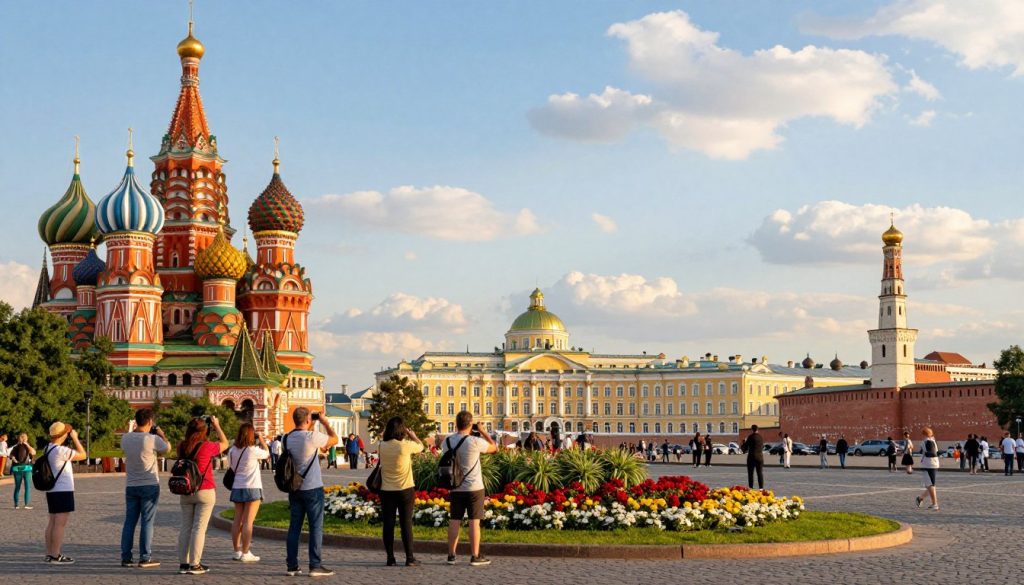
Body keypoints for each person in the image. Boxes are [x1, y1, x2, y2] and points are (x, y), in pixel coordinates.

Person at [284, 408, 339, 577]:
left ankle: (292, 566)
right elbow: (334, 439)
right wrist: (324, 422)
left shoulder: (287, 438)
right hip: (312, 487)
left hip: (295, 488)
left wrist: (312, 422)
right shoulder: (312, 437)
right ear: (308, 419)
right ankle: (315, 565)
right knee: (315, 527)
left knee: (294, 527)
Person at [176, 416, 228, 575]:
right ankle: (195, 564)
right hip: (205, 490)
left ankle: (183, 564)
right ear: (205, 431)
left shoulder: (182, 446)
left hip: (186, 490)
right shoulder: (207, 446)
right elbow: (225, 443)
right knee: (199, 529)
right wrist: (217, 425)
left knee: (185, 527)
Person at [445, 411, 498, 567]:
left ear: (456, 424)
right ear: (470, 424)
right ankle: (475, 556)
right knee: (474, 521)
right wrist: (482, 431)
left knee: (454, 520)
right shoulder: (475, 441)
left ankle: (451, 555)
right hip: (474, 487)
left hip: (455, 486)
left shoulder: (447, 441)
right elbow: (494, 448)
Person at [120, 408, 169, 568]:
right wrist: (161, 433)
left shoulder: (125, 438)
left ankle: (126, 557)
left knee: (129, 521)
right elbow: (167, 448)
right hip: (149, 484)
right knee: (147, 522)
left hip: (131, 485)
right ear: (150, 422)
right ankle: (145, 557)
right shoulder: (152, 439)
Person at [378, 416, 424, 566]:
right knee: (406, 523)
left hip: (386, 490)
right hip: (405, 489)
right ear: (401, 431)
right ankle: (409, 558)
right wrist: (413, 435)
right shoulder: (405, 446)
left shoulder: (381, 446)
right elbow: (421, 446)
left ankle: (390, 558)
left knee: (388, 523)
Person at [43, 421, 86, 564]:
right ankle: (56, 555)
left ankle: (49, 553)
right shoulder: (61, 451)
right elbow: (83, 455)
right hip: (63, 489)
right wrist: (75, 438)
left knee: (52, 522)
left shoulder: (48, 448)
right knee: (60, 524)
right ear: (64, 434)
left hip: (52, 490)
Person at [228, 423, 270, 562]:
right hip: (252, 487)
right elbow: (267, 453)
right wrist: (262, 439)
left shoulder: (232, 450)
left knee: (237, 520)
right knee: (248, 522)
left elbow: (231, 467)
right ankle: (246, 552)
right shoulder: (253, 450)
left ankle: (236, 551)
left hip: (237, 487)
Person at [914, 427, 940, 511]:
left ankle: (934, 504)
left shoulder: (928, 441)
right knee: (931, 485)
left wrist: (925, 453)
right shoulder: (932, 441)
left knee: (930, 485)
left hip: (928, 465)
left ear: (924, 434)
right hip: (933, 464)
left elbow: (932, 453)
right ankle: (920, 498)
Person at [10, 433, 35, 509]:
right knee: (26, 487)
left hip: (18, 468)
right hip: (26, 468)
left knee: (18, 487)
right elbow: (33, 452)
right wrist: (26, 444)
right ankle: (25, 505)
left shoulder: (16, 447)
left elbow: (11, 455)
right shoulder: (18, 447)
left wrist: (14, 458)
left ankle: (16, 505)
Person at [741, 425, 765, 489]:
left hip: (751, 457)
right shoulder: (761, 437)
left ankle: (751, 488)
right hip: (760, 457)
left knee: (750, 474)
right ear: (758, 429)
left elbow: (745, 448)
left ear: (752, 430)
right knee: (760, 473)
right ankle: (761, 488)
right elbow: (762, 447)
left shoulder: (750, 437)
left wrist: (743, 443)